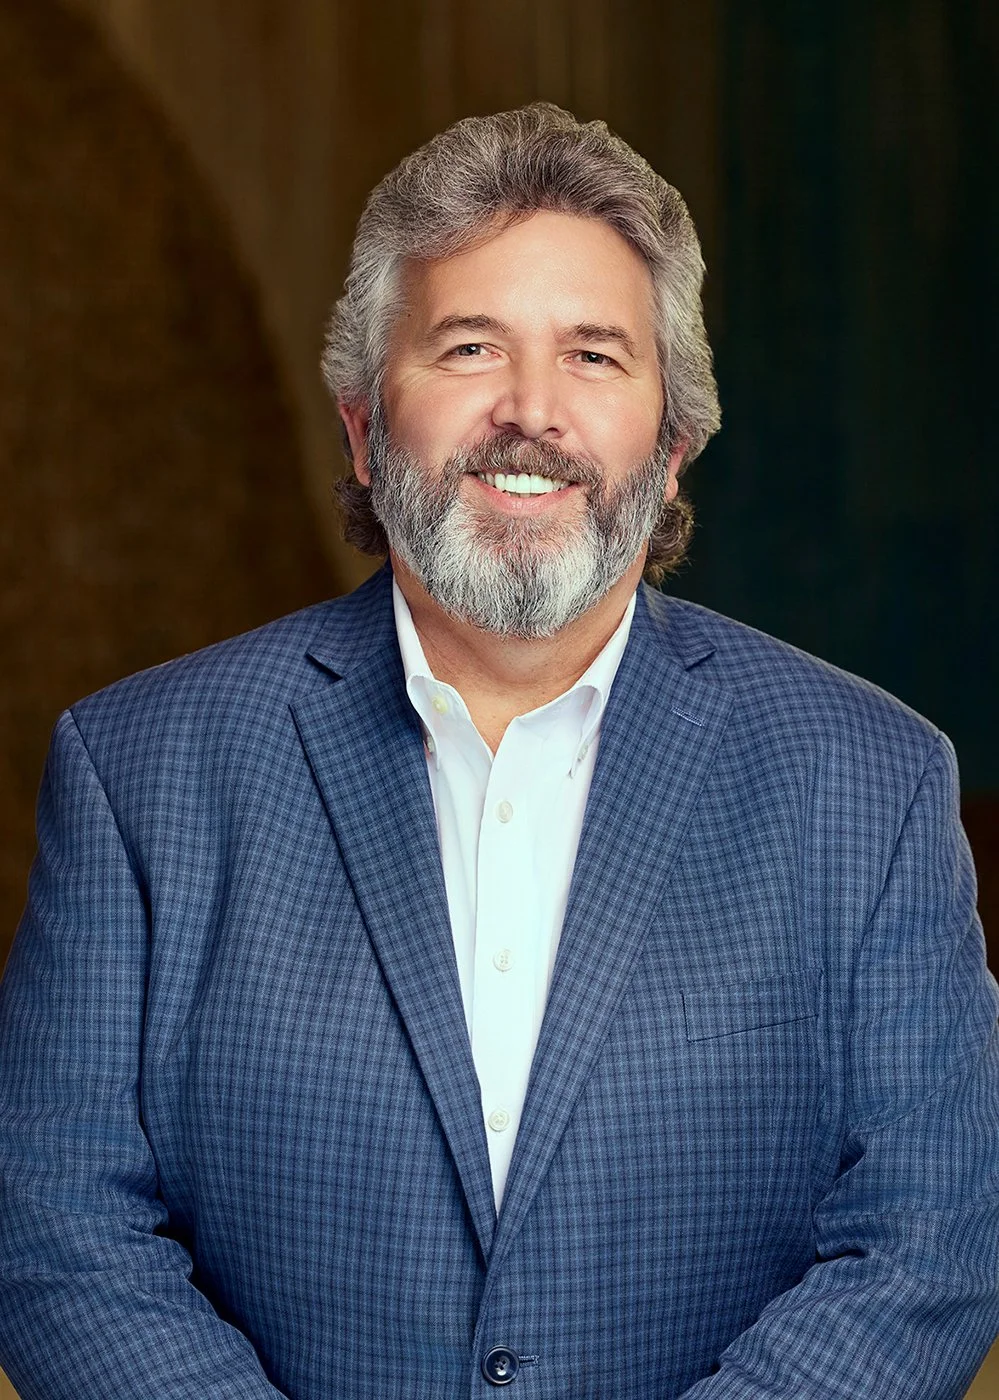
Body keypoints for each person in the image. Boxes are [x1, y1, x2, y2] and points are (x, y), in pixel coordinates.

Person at [0, 102, 996, 1400]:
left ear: (673, 445)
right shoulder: (138, 771)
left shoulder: (871, 780)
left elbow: (928, 1245)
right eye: (469, 347)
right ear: (364, 426)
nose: (531, 411)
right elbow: (54, 1232)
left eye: (594, 355)